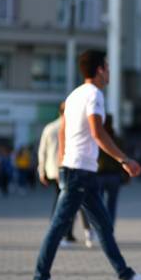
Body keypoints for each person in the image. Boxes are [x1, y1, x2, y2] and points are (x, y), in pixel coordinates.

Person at [29, 50, 141, 280]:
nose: (109, 72)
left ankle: (128, 278)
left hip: (79, 171)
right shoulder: (94, 95)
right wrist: (125, 160)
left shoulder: (73, 95)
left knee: (103, 226)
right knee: (58, 226)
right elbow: (98, 133)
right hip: (79, 172)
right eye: (107, 67)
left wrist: (63, 165)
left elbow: (63, 133)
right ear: (99, 70)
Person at [38, 102, 91, 246]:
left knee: (62, 201)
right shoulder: (73, 127)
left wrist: (41, 171)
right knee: (68, 202)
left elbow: (42, 151)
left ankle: (62, 233)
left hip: (52, 170)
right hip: (68, 169)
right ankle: (63, 234)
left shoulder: (49, 128)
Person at [96, 115, 127, 227]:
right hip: (114, 176)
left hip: (99, 175)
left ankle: (101, 228)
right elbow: (123, 157)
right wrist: (126, 175)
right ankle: (109, 227)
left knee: (98, 204)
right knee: (111, 205)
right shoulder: (117, 139)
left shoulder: (97, 139)